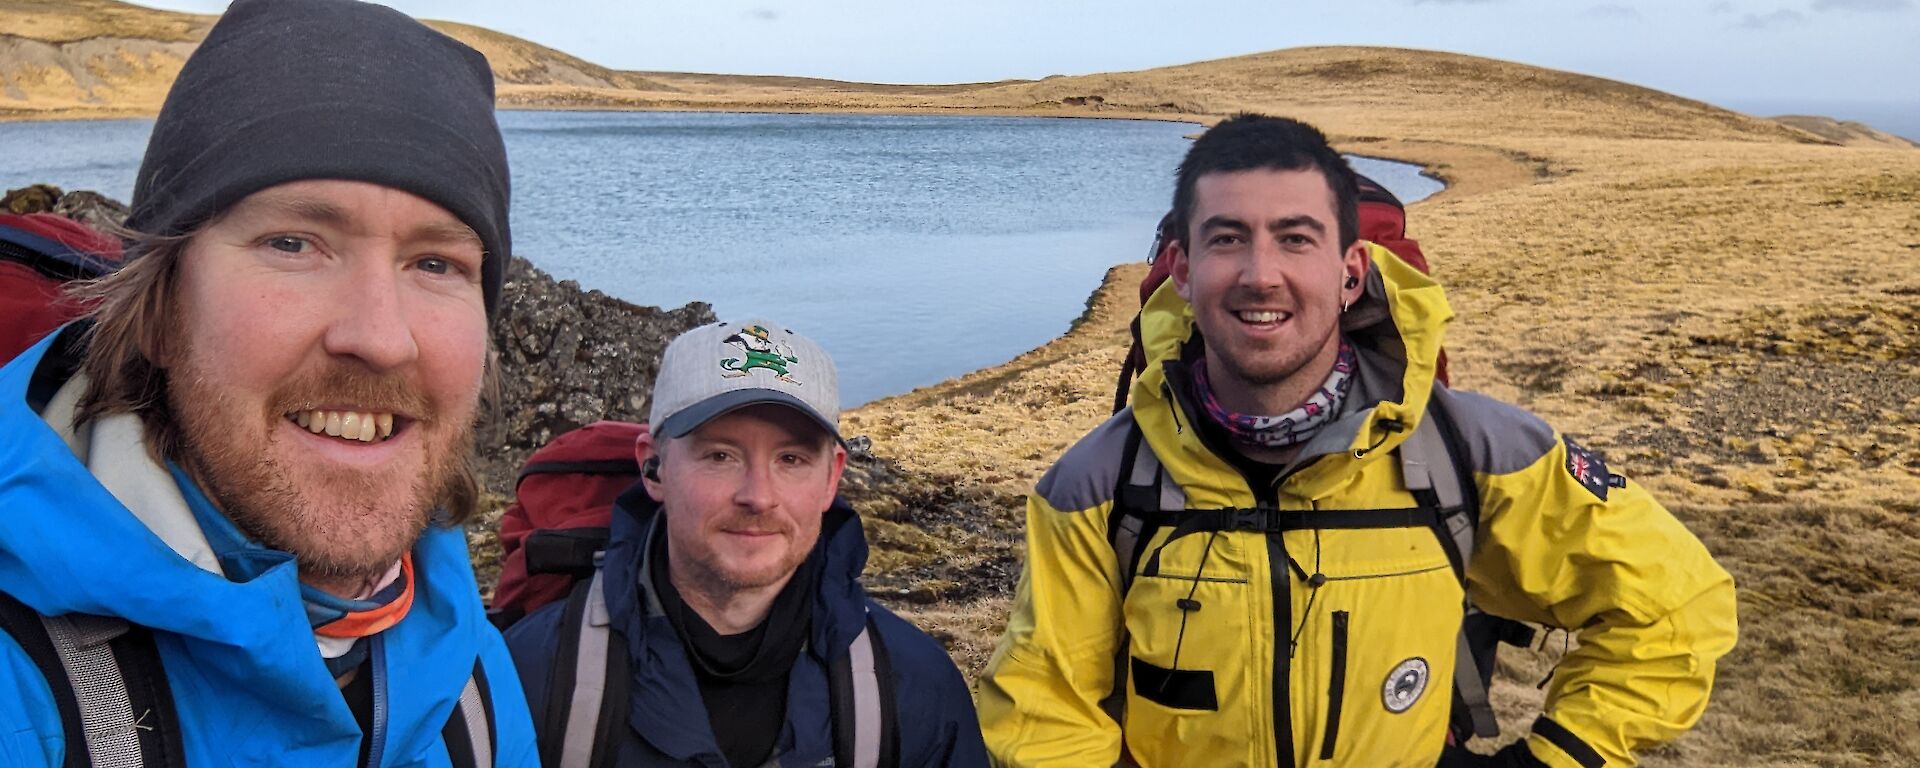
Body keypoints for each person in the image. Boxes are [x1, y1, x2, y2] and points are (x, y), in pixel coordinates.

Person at [975, 114, 1738, 768]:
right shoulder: (1095, 486)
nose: (1261, 274)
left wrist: (1556, 758)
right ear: (1181, 271)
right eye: (1228, 238)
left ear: (1350, 273)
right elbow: (1044, 708)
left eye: (1295, 238)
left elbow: (1676, 609)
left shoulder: (1480, 454)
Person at [0, 0, 535, 764]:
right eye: (293, 243)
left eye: (435, 263)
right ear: (155, 311)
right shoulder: (22, 690)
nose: (381, 338)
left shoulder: (468, 670)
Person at [505, 319, 987, 767]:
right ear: (654, 467)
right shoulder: (534, 676)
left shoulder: (913, 691)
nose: (758, 496)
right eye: (720, 455)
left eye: (791, 459)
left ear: (831, 478)